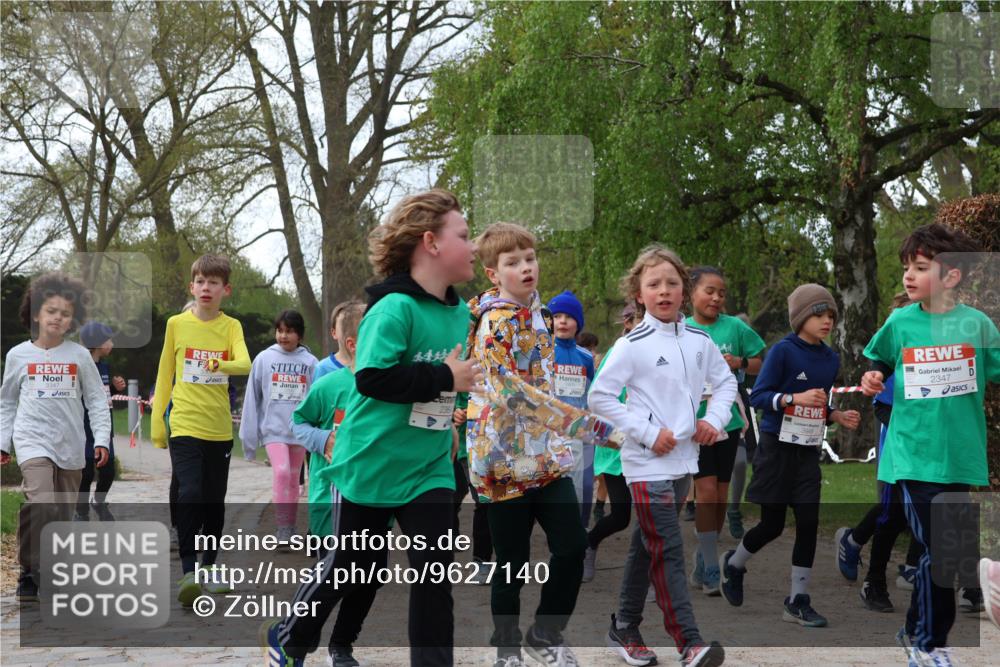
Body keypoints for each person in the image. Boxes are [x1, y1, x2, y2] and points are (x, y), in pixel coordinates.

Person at [263, 188, 481, 667]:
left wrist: (453, 415)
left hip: (428, 469)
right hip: (370, 463)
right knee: (352, 568)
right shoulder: (392, 309)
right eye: (464, 236)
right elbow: (373, 377)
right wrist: (447, 377)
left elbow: (450, 383)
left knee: (433, 575)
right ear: (431, 243)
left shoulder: (460, 313)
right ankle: (291, 636)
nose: (474, 246)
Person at [465, 222, 623, 667]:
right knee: (511, 563)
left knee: (572, 548)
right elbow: (511, 394)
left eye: (529, 258)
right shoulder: (494, 323)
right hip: (502, 461)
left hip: (545, 457)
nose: (526, 267)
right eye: (512, 263)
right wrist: (588, 427)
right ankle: (507, 651)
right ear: (493, 274)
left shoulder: (541, 314)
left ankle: (546, 635)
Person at [859, 223, 998, 666]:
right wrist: (873, 375)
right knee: (944, 551)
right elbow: (877, 358)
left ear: (952, 276)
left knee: (943, 554)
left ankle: (916, 631)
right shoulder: (900, 321)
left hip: (960, 456)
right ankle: (928, 643)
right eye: (906, 268)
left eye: (920, 267)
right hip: (913, 455)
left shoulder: (977, 325)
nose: (908, 276)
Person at [590, 244, 732, 667]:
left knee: (646, 543)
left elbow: (725, 386)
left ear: (684, 291)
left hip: (685, 462)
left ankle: (625, 627)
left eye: (672, 283)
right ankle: (689, 642)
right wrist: (648, 433)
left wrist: (714, 421)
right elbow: (599, 397)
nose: (664, 291)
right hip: (644, 462)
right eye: (654, 284)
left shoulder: (701, 341)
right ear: (639, 293)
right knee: (668, 545)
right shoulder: (630, 345)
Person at [720, 283, 861, 627]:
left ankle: (797, 599)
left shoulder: (830, 358)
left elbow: (821, 400)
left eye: (831, 315)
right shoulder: (782, 352)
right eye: (819, 314)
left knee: (809, 523)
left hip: (807, 451)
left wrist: (836, 415)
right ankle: (734, 564)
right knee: (772, 525)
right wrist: (791, 399)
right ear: (800, 318)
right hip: (776, 448)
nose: (827, 320)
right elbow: (759, 396)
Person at [1, 272, 112, 601]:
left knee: (59, 514)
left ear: (72, 320)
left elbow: (96, 401)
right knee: (42, 503)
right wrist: (3, 441)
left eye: (64, 314)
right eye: (51, 311)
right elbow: (7, 401)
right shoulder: (18, 356)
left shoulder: (79, 356)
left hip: (71, 446)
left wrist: (102, 440)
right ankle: (30, 571)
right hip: (32, 439)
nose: (57, 318)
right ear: (36, 313)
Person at [150, 254, 251, 606]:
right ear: (191, 286)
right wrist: (157, 424)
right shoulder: (176, 324)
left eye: (213, 282)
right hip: (185, 423)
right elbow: (165, 374)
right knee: (190, 491)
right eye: (201, 281)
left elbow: (244, 363)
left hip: (219, 429)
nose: (206, 288)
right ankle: (189, 572)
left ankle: (210, 566)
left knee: (213, 500)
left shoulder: (231, 327)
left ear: (226, 289)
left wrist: (217, 362)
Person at [289, 301, 380, 667]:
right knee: (335, 572)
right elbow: (299, 422)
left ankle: (341, 645)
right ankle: (299, 633)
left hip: (377, 496)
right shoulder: (329, 385)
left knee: (370, 575)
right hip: (331, 497)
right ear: (357, 342)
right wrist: (323, 438)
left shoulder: (388, 385)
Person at [684, 266, 765, 596]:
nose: (716, 298)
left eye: (721, 293)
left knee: (719, 497)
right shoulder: (681, 330)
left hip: (728, 421)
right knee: (704, 494)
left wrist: (740, 364)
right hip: (695, 425)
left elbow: (761, 360)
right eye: (709, 291)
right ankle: (710, 566)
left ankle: (704, 559)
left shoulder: (735, 328)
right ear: (692, 294)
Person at [240, 309, 318, 542]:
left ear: (300, 336)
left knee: (294, 479)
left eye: (290, 332)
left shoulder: (311, 362)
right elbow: (252, 398)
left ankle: (289, 527)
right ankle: (282, 526)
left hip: (300, 431)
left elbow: (317, 398)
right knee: (282, 472)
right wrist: (250, 439)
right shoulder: (264, 359)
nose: (284, 336)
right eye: (280, 330)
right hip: (273, 431)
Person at [547, 290, 597, 526]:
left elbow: (593, 392)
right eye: (557, 316)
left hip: (581, 432)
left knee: (585, 485)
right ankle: (561, 532)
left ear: (578, 323)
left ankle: (581, 532)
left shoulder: (586, 357)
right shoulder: (541, 353)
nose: (563, 321)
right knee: (559, 486)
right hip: (551, 432)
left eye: (569, 316)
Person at [73, 320, 126, 522]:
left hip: (105, 428)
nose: (112, 343)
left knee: (108, 470)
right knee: (85, 473)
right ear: (98, 343)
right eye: (109, 340)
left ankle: (99, 501)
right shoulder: (81, 366)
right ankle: (81, 511)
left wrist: (113, 389)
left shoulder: (104, 367)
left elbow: (99, 396)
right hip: (85, 428)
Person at [315, 300, 363, 380]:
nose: (350, 331)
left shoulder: (371, 365)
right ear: (334, 333)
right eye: (344, 325)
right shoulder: (322, 368)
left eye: (357, 325)